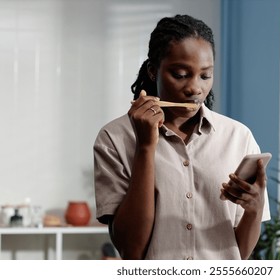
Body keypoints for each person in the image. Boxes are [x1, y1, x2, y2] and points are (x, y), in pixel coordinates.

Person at [94, 14, 270, 260]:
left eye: (205, 76)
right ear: (154, 71)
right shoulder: (114, 139)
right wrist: (145, 147)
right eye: (180, 74)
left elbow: (238, 253)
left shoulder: (238, 137)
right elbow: (130, 250)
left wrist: (254, 210)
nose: (195, 88)